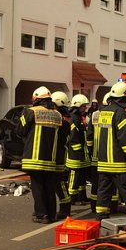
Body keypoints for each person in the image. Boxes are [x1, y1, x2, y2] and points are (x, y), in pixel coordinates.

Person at [94, 82, 126, 219]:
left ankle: (101, 215)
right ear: (124, 97)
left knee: (104, 190)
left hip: (104, 162)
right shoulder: (120, 113)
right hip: (118, 162)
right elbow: (124, 138)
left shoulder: (103, 112)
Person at [16, 86, 63, 223]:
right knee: (49, 187)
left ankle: (41, 214)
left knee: (38, 187)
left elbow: (20, 131)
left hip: (34, 158)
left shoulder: (30, 112)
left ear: (36, 99)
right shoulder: (57, 115)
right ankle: (52, 214)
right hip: (51, 159)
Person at [65, 94, 91, 204]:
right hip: (75, 155)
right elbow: (74, 138)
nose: (85, 108)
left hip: (81, 154)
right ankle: (72, 198)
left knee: (81, 177)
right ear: (77, 106)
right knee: (74, 177)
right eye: (83, 106)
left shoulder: (79, 118)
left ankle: (82, 196)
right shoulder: (74, 118)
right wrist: (80, 153)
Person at [51, 91, 73, 219]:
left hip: (59, 156)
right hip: (58, 155)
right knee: (58, 182)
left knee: (60, 183)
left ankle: (65, 208)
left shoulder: (62, 122)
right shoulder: (63, 120)